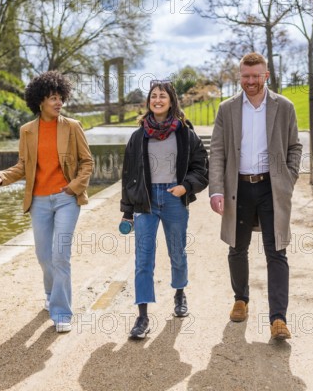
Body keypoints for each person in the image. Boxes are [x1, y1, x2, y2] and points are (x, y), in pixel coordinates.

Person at [0, 71, 94, 333]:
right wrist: (2, 176)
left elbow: (87, 162)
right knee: (44, 257)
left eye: (60, 98)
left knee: (60, 255)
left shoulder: (73, 127)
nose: (58, 103)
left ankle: (62, 312)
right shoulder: (27, 131)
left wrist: (73, 187)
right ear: (40, 101)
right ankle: (50, 292)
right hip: (39, 202)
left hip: (67, 199)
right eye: (52, 98)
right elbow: (23, 166)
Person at [209, 52, 302, 340]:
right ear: (240, 76)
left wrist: (289, 178)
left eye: (256, 76)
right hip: (238, 187)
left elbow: (294, 147)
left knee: (277, 251)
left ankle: (278, 319)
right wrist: (217, 189)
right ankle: (241, 299)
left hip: (271, 187)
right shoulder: (227, 109)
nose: (250, 81)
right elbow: (218, 151)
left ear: (266, 75)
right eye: (246, 76)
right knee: (237, 247)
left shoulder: (284, 107)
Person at [121, 80, 208, 340]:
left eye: (162, 96)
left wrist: (185, 187)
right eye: (153, 96)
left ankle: (180, 293)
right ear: (149, 101)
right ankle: (143, 316)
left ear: (171, 101)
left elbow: (201, 168)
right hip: (146, 202)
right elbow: (128, 176)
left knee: (177, 253)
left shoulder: (185, 133)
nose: (157, 100)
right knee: (143, 259)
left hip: (173, 198)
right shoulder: (138, 136)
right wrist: (127, 211)